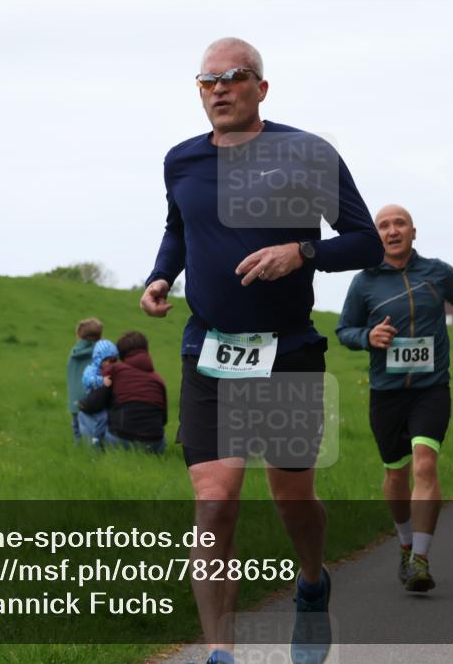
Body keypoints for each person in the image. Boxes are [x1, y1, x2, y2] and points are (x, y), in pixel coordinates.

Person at [139, 37, 383, 664]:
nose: (218, 88)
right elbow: (178, 228)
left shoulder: (306, 152)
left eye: (234, 76)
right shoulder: (181, 161)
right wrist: (160, 276)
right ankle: (222, 652)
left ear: (261, 88)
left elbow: (363, 243)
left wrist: (301, 252)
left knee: (290, 496)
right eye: (206, 80)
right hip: (210, 350)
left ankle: (310, 582)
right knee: (215, 500)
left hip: (288, 350)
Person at [337, 204, 453, 594]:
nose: (392, 230)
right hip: (386, 393)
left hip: (431, 389)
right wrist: (367, 337)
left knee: (424, 464)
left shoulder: (438, 272)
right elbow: (343, 330)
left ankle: (421, 557)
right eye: (383, 226)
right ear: (376, 236)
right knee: (395, 475)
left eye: (399, 223)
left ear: (414, 232)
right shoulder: (364, 282)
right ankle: (404, 543)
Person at [98, 331, 168, 454]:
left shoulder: (115, 370)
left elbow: (96, 401)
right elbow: (164, 419)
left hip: (120, 439)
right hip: (153, 444)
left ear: (121, 354)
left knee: (86, 412)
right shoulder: (158, 380)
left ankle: (91, 450)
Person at [67, 318, 102, 443]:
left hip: (74, 400)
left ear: (79, 335)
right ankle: (93, 450)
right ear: (99, 336)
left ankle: (78, 449)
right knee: (93, 428)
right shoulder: (101, 353)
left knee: (76, 428)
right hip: (92, 399)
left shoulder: (74, 352)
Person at [79, 339, 119, 446]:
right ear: (98, 359)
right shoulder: (91, 370)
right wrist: (101, 381)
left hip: (104, 401)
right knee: (102, 418)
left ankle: (106, 440)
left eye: (113, 361)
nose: (110, 364)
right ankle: (96, 440)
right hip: (93, 399)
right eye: (107, 361)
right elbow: (87, 379)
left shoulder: (110, 370)